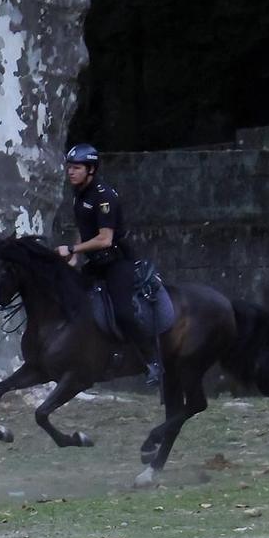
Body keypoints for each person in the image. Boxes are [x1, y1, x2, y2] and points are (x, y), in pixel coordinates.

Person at [58, 143, 161, 386]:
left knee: (123, 312)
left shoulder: (104, 196)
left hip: (118, 263)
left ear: (91, 170)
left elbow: (105, 239)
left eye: (77, 168)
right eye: (69, 168)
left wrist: (72, 249)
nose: (71, 172)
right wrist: (74, 259)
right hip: (95, 263)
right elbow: (85, 231)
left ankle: (152, 361)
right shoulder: (79, 195)